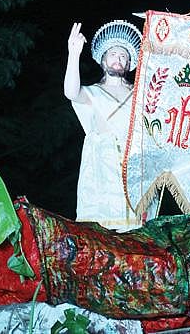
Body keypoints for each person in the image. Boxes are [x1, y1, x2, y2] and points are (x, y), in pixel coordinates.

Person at [64, 20, 143, 231]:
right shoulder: (94, 93)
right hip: (102, 173)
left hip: (133, 172)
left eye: (123, 56)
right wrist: (73, 54)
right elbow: (71, 92)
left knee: (134, 236)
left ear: (129, 63)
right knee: (100, 235)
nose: (118, 59)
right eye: (113, 54)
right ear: (104, 59)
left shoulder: (139, 94)